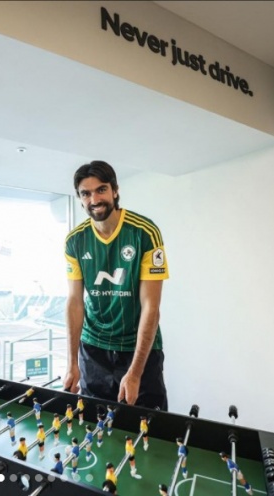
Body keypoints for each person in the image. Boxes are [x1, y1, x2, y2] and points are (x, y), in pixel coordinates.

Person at [63, 160, 170, 409]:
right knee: (94, 424)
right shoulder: (74, 241)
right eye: (86, 194)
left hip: (138, 349)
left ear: (115, 190)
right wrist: (72, 363)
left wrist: (135, 372)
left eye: (101, 190)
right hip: (93, 350)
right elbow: (75, 302)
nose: (94, 200)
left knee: (147, 425)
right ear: (80, 198)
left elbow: (151, 307)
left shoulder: (145, 232)